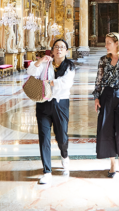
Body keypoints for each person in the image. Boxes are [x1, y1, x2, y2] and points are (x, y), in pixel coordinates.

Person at [27, 38, 76, 185]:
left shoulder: (69, 66)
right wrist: (40, 61)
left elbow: (66, 83)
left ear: (66, 51)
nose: (59, 49)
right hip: (43, 103)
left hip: (60, 104)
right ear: (53, 50)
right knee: (44, 137)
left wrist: (48, 82)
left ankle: (64, 155)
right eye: (56, 47)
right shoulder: (46, 64)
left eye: (62, 47)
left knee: (62, 136)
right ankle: (47, 171)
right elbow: (30, 72)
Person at [94, 32, 119, 178]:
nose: (106, 45)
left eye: (108, 42)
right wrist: (97, 97)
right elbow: (98, 80)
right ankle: (112, 163)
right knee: (107, 130)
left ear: (117, 43)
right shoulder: (103, 60)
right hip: (107, 96)